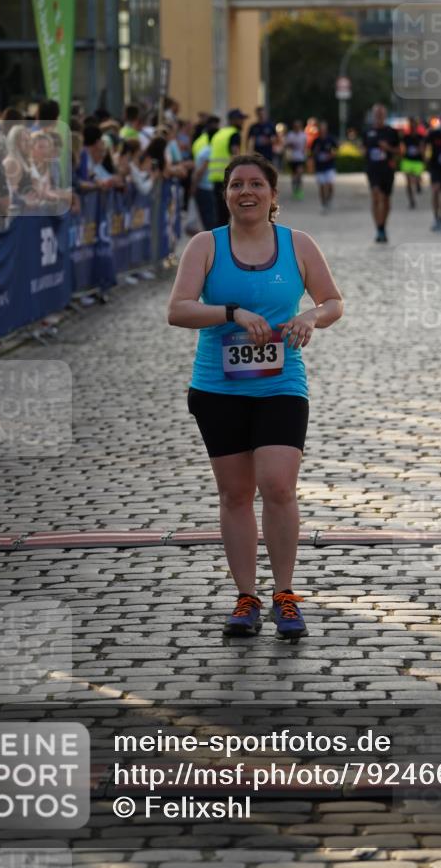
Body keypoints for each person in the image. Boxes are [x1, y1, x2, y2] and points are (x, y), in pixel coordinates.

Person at [167, 154, 343, 639]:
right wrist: (231, 313)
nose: (246, 192)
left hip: (280, 383)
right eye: (236, 185)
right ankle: (246, 596)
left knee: (278, 485)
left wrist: (310, 317)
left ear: (272, 194)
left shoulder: (297, 244)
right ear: (225, 194)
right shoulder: (205, 245)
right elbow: (178, 310)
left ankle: (285, 594)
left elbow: (333, 301)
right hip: (217, 388)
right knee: (236, 493)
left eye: (256, 184)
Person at [363, 104, 400, 243]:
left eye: (381, 114)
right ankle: (378, 228)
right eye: (376, 114)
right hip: (373, 169)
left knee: (386, 200)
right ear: (373, 115)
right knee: (376, 196)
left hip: (387, 170)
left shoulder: (391, 132)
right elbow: (363, 148)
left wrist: (387, 148)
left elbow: (399, 151)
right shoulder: (368, 131)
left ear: (385, 115)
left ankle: (383, 226)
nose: (378, 116)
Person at [208, 108, 247, 226]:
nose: (243, 122)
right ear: (233, 120)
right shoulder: (234, 134)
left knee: (219, 215)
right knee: (227, 215)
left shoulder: (219, 134)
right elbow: (235, 156)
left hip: (215, 178)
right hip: (227, 179)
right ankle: (224, 237)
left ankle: (218, 236)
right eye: (240, 119)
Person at [310, 120, 338, 214]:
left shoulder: (330, 139)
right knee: (321, 186)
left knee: (330, 185)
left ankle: (329, 200)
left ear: (326, 130)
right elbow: (312, 153)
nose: (322, 131)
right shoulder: (316, 141)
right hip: (319, 167)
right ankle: (323, 204)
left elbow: (336, 149)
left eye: (323, 129)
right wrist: (315, 152)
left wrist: (332, 154)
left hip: (329, 166)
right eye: (321, 129)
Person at [400, 116, 425, 209]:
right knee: (408, 182)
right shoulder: (405, 137)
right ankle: (411, 200)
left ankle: (418, 183)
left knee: (416, 178)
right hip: (408, 160)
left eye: (413, 124)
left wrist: (422, 155)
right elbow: (402, 148)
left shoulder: (420, 137)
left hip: (417, 161)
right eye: (410, 124)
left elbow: (423, 149)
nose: (412, 126)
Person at [285, 120, 307, 200]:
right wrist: (291, 145)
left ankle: (299, 190)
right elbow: (286, 145)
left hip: (300, 157)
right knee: (294, 175)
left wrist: (305, 153)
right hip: (292, 158)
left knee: (299, 173)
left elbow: (305, 145)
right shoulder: (290, 135)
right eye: (295, 126)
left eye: (298, 126)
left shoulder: (303, 135)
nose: (297, 128)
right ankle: (294, 188)